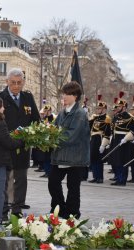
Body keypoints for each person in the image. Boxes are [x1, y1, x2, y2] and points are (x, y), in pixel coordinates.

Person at [0, 68, 40, 218]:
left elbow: (36, 120)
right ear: (7, 81)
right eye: (13, 82)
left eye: (19, 83)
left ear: (23, 83)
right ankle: (3, 210)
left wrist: (33, 134)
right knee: (5, 180)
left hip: (22, 145)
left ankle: (17, 209)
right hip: (5, 146)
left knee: (21, 179)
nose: (16, 86)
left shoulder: (28, 98)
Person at [48, 81, 90, 219]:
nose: (64, 96)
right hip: (60, 156)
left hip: (75, 158)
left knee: (73, 188)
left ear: (75, 96)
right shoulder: (62, 112)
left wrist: (53, 137)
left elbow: (71, 136)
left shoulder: (80, 114)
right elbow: (54, 128)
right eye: (63, 93)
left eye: (67, 94)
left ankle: (72, 213)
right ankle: (58, 208)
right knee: (53, 183)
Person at [108, 92, 134, 186]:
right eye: (117, 106)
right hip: (116, 140)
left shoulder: (130, 118)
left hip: (124, 141)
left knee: (123, 161)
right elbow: (113, 129)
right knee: (117, 160)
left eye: (119, 106)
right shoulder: (116, 117)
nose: (118, 108)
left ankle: (122, 180)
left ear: (124, 107)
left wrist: (126, 138)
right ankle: (118, 178)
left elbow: (133, 131)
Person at [88, 95, 111, 184]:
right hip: (93, 139)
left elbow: (108, 132)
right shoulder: (95, 118)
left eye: (99, 108)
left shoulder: (107, 119)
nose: (97, 110)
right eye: (97, 108)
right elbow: (88, 126)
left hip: (100, 139)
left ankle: (100, 177)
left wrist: (103, 144)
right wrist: (87, 115)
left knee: (98, 159)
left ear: (104, 109)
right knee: (93, 158)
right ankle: (95, 176)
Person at [39, 105, 55, 178]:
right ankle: (46, 171)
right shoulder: (44, 118)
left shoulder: (53, 118)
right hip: (45, 139)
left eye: (47, 111)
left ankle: (50, 172)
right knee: (44, 157)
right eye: (45, 111)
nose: (45, 112)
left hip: (51, 139)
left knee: (49, 157)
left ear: (50, 111)